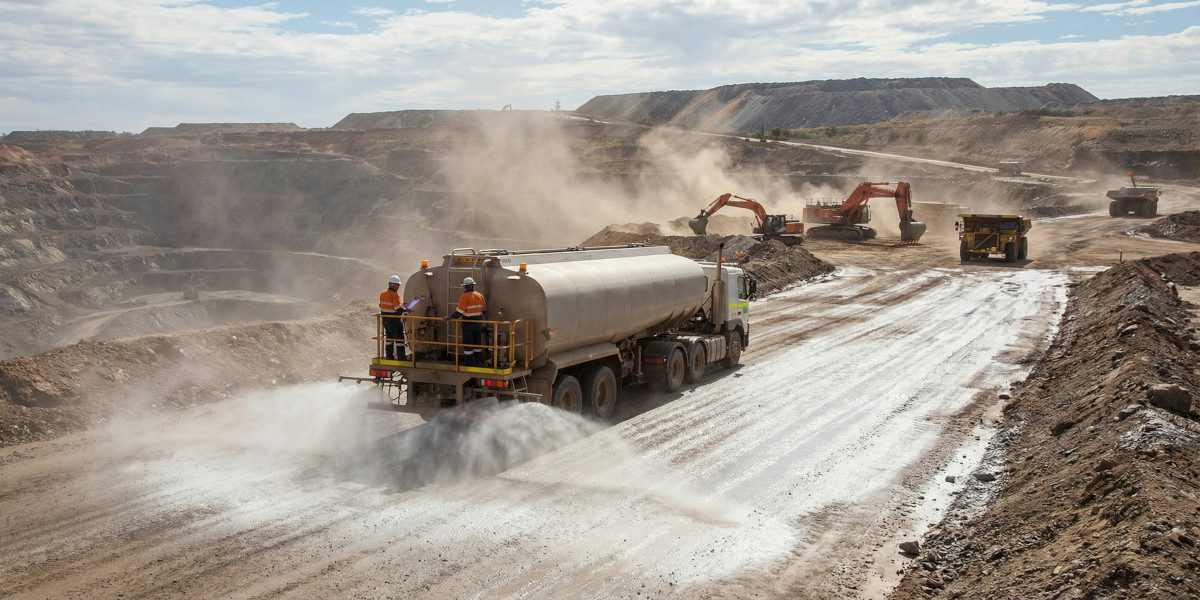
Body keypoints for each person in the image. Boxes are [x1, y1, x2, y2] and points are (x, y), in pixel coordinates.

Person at [445, 277, 486, 366]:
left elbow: (459, 312)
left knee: (468, 343)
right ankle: (478, 360)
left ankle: (469, 362)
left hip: (468, 324)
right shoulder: (480, 295)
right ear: (473, 286)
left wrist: (449, 317)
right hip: (478, 324)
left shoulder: (465, 296)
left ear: (466, 287)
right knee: (477, 343)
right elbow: (483, 311)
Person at [378, 274, 408, 360]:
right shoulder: (394, 295)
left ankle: (389, 356)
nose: (398, 286)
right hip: (394, 321)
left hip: (385, 320)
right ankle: (401, 357)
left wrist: (401, 306)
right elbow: (397, 309)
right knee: (399, 340)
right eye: (398, 284)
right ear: (392, 284)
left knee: (389, 340)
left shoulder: (382, 293)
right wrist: (406, 310)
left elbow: (382, 305)